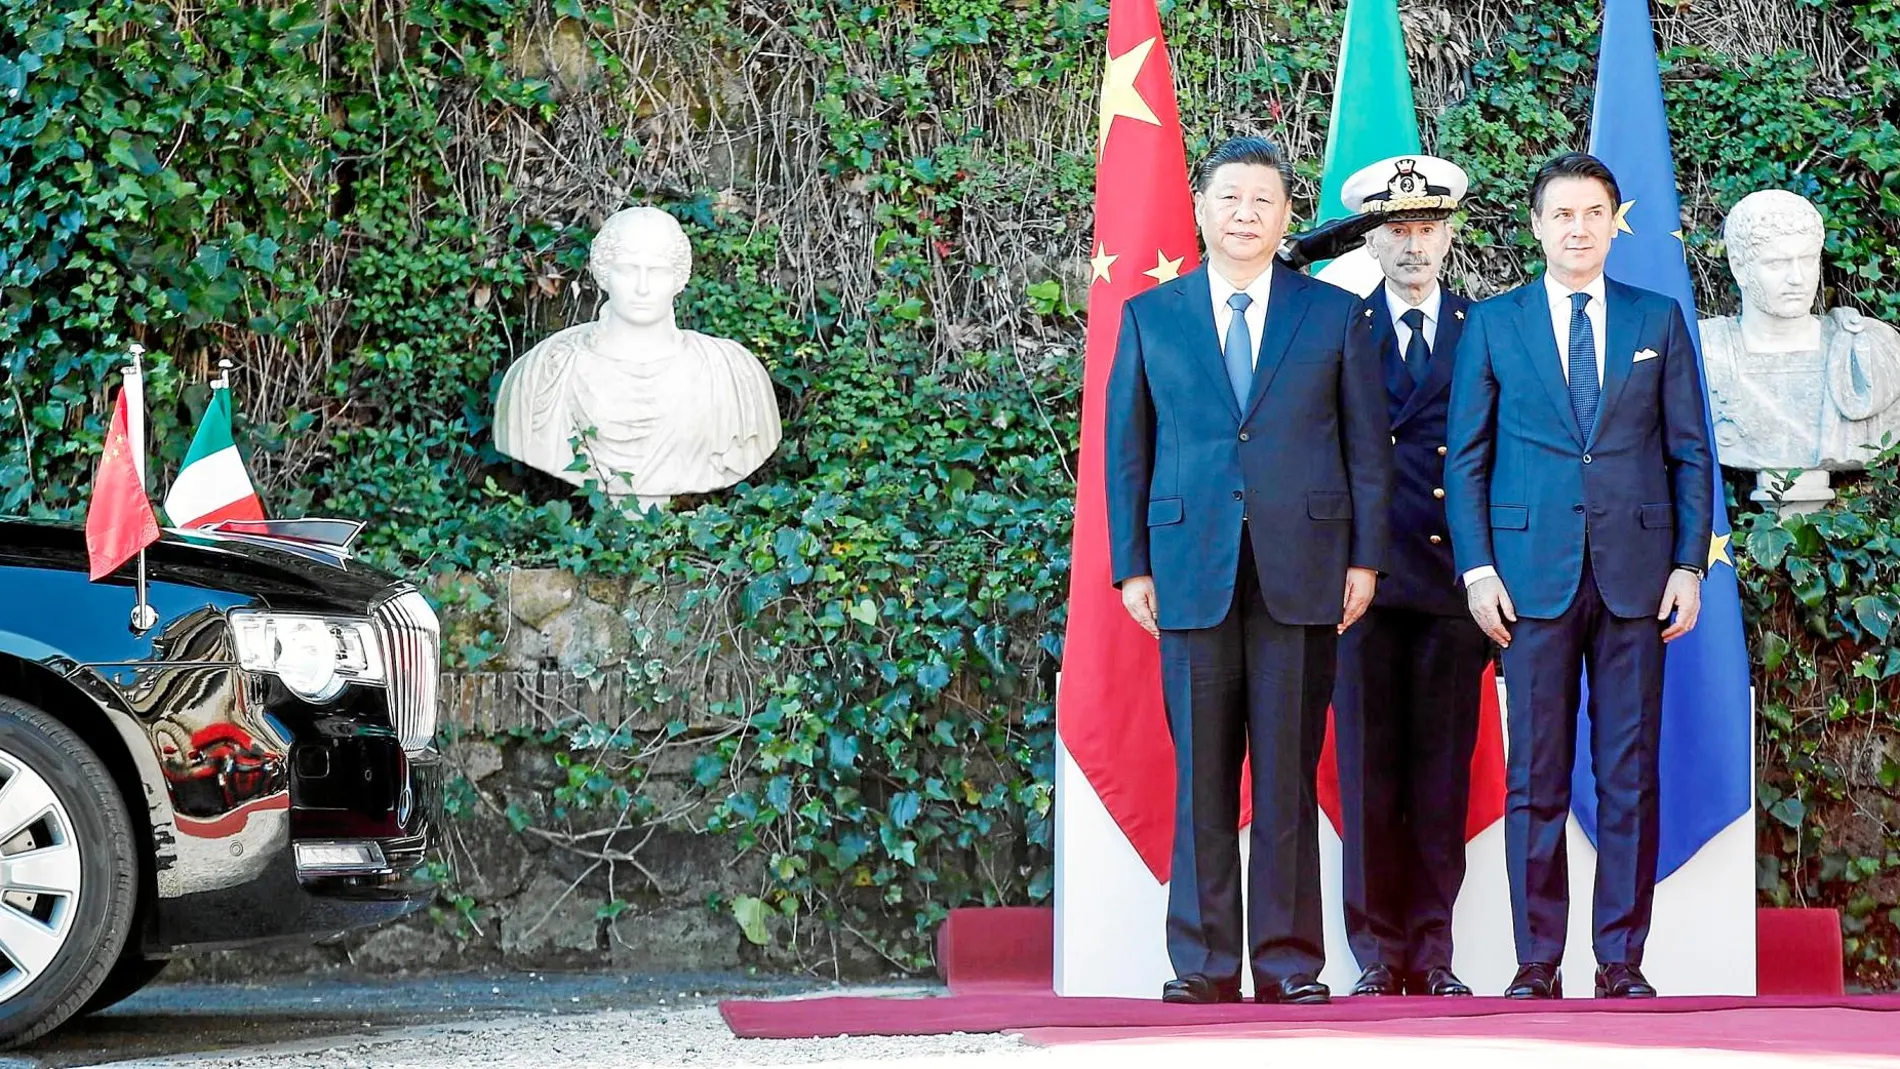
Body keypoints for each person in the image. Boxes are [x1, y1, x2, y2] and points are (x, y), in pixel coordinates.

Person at [1105, 135, 1391, 1006]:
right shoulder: (1154, 315)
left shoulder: (1333, 316)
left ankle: (1289, 962)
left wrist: (1366, 558)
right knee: (1201, 777)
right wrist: (1132, 567)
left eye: (1263, 201)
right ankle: (1201, 964)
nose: (1245, 215)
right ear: (1203, 208)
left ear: (1284, 216)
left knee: (1286, 776)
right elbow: (1126, 452)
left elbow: (1365, 452)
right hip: (1189, 571)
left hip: (1302, 571)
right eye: (1230, 198)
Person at [1444, 152, 1714, 999]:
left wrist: (1687, 563)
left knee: (1629, 771)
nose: (1577, 228)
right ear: (1537, 226)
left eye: (1593, 212)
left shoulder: (1657, 319)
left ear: (1611, 222)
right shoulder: (1494, 324)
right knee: (1537, 775)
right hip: (1528, 583)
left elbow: (1689, 452)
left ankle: (1621, 960)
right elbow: (1469, 460)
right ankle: (1535, 961)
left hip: (1638, 577)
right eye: (1562, 213)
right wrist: (1478, 568)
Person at [1328, 155, 1486, 999]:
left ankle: (1434, 949)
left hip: (1456, 586)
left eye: (1428, 227)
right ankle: (1375, 952)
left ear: (1450, 235)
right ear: (1373, 239)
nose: (1414, 243)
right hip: (1362, 585)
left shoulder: (1483, 329)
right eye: (1397, 229)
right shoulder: (1340, 326)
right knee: (1367, 776)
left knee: (1439, 776)